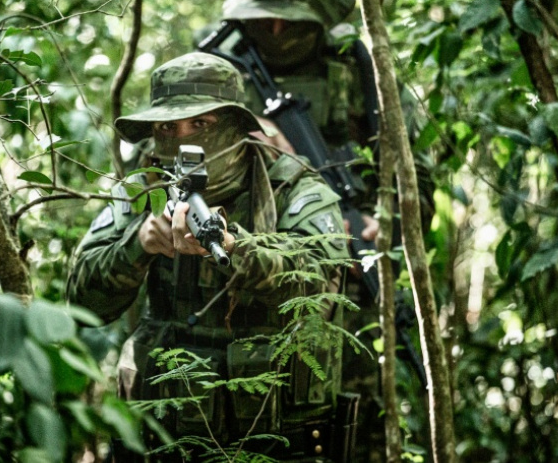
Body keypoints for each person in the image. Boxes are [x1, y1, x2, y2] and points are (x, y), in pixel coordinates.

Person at [206, 0, 436, 462]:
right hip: (237, 282)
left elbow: (414, 170)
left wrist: (390, 219)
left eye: (289, 18)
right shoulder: (216, 62)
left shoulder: (354, 63)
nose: (278, 31)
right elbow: (168, 162)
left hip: (346, 284)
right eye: (266, 19)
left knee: (349, 424)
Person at [67, 53, 354, 462]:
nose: (183, 138)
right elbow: (79, 302)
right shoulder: (143, 189)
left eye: (201, 124)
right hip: (164, 439)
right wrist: (139, 244)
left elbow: (321, 288)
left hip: (276, 440)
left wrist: (238, 248)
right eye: (168, 126)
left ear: (237, 127)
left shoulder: (293, 188)